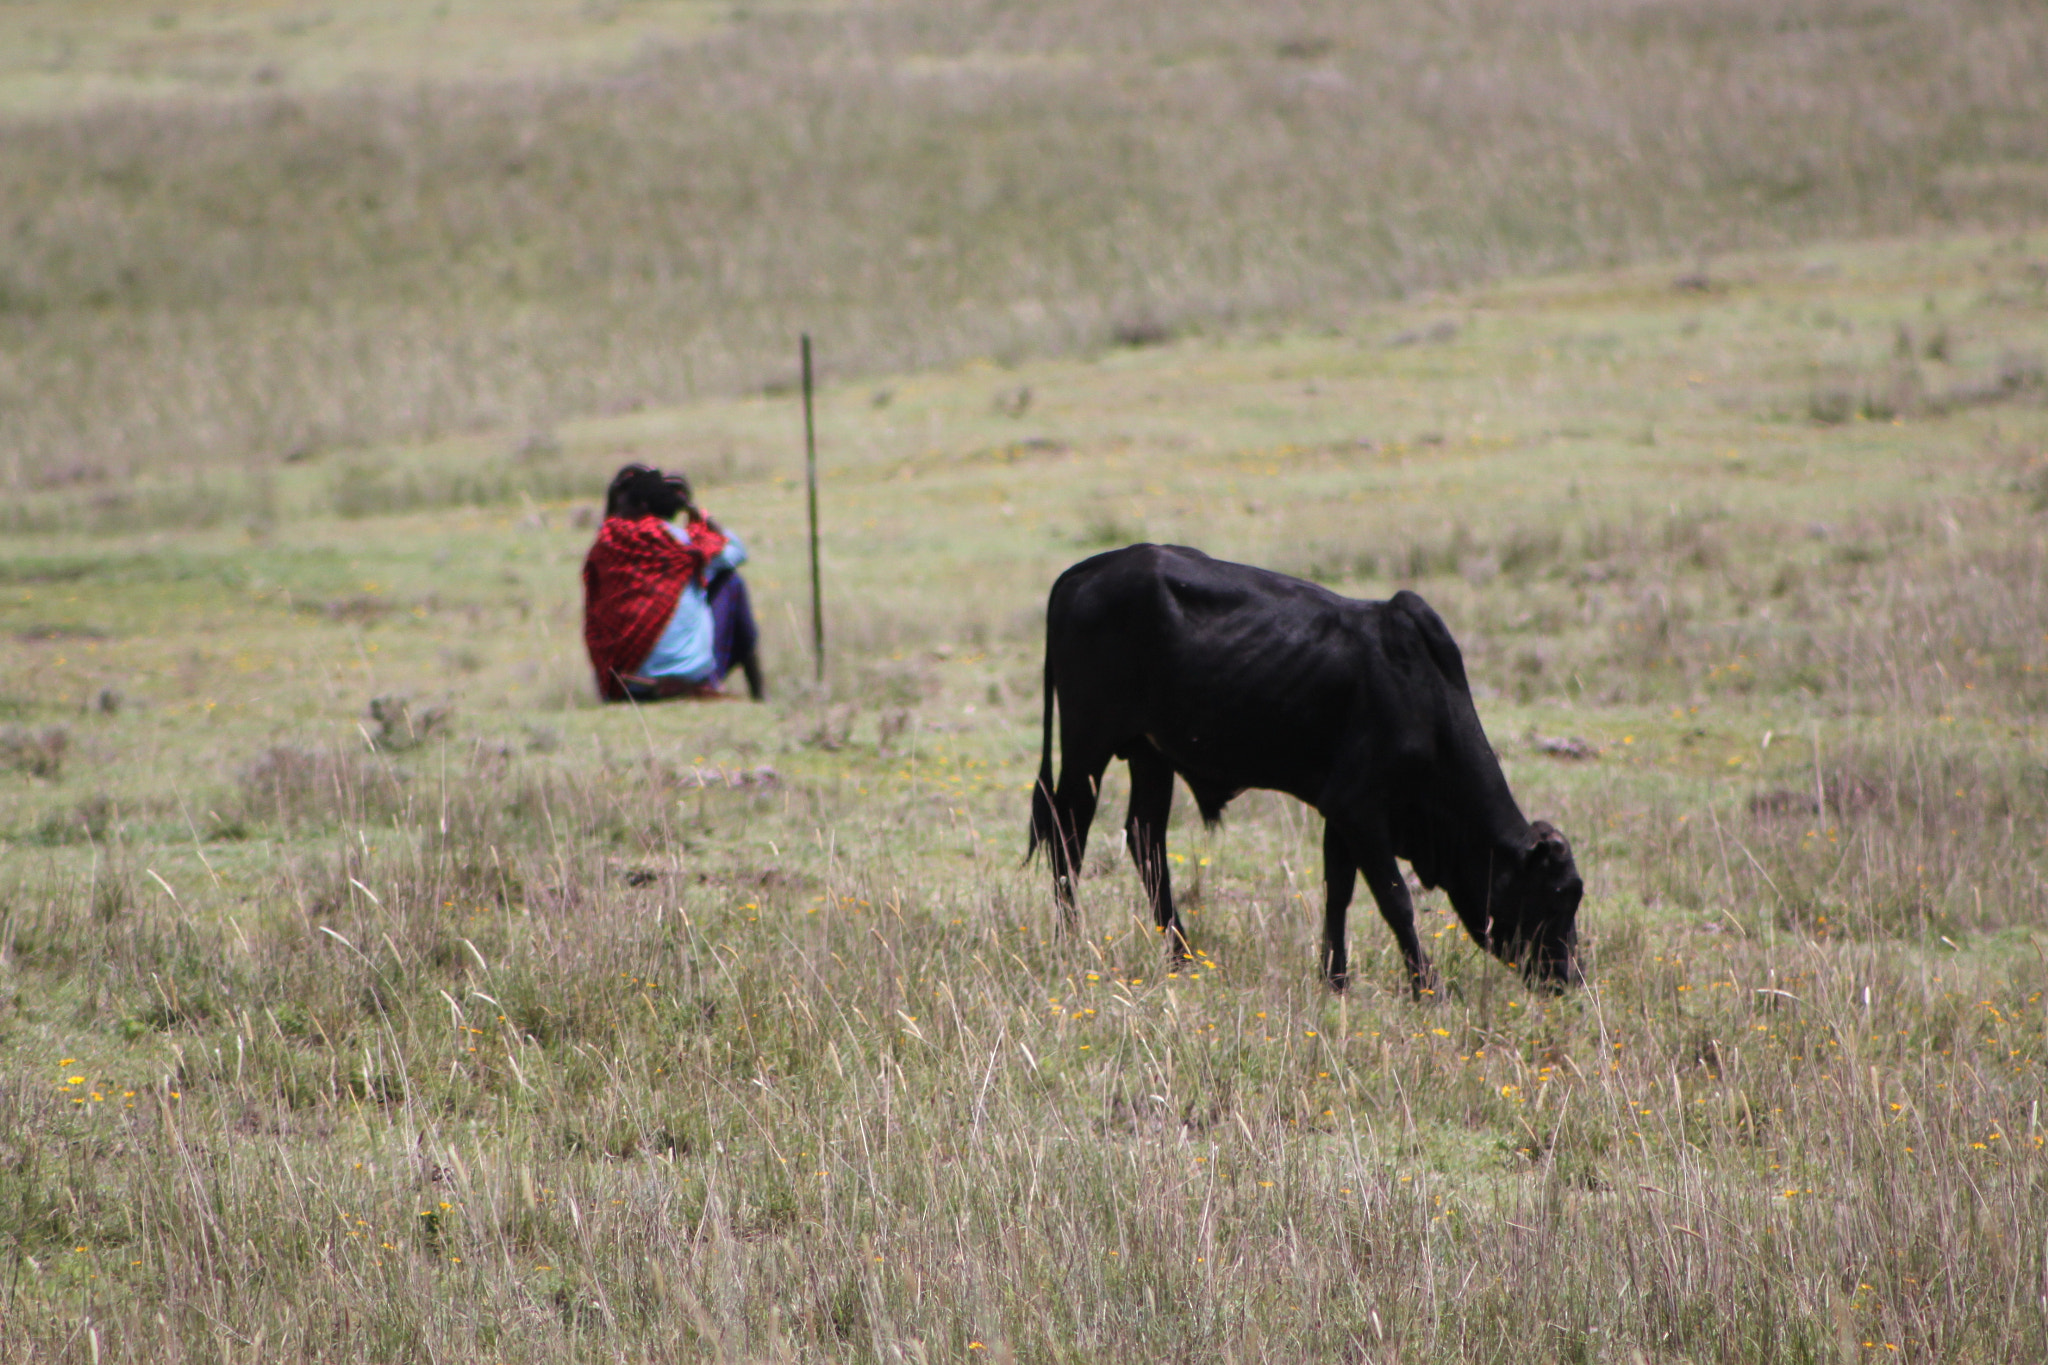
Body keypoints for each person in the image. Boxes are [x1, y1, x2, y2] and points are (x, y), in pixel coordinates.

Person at [581, 463, 765, 702]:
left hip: (625, 688)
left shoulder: (605, 548)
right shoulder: (685, 547)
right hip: (688, 682)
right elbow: (737, 552)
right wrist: (695, 512)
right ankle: (760, 695)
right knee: (731, 582)